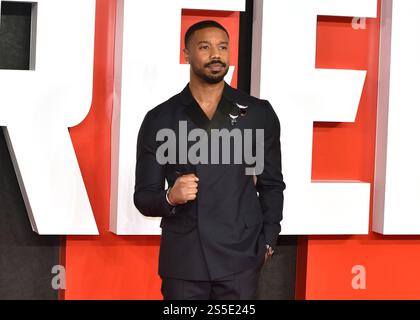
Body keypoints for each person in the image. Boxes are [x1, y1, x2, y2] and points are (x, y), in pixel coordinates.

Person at [134, 20, 285, 300]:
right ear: (187, 54)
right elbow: (143, 196)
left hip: (241, 258)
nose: (216, 55)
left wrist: (268, 241)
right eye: (205, 47)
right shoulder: (160, 118)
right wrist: (169, 197)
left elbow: (271, 184)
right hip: (184, 260)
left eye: (223, 47)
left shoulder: (256, 113)